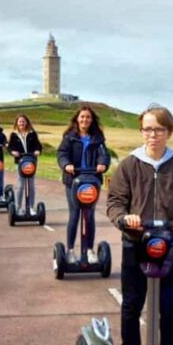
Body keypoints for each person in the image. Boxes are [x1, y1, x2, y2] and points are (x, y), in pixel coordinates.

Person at [105, 104, 173, 345]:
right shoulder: (129, 165)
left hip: (167, 245)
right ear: (141, 131)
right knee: (132, 304)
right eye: (147, 129)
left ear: (168, 132)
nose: (152, 135)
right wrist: (125, 218)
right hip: (135, 243)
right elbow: (114, 203)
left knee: (169, 304)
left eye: (158, 129)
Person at [57, 106, 110, 264]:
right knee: (75, 215)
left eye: (88, 117)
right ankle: (71, 251)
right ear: (77, 119)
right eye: (82, 117)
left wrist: (102, 164)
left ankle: (89, 250)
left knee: (89, 216)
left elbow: (104, 154)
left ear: (92, 120)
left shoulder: (97, 138)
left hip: (92, 181)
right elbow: (62, 154)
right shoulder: (69, 137)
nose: (84, 120)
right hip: (73, 180)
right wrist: (66, 165)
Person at [7, 114, 43, 216]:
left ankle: (31, 208)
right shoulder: (14, 135)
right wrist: (12, 152)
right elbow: (9, 147)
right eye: (20, 122)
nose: (22, 123)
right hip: (19, 162)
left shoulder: (32, 133)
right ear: (17, 123)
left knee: (31, 185)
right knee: (20, 185)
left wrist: (37, 150)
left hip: (31, 161)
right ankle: (18, 208)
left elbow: (38, 145)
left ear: (26, 122)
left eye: (23, 121)